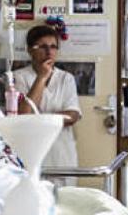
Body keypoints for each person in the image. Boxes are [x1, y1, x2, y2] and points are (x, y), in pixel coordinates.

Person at [14, 24, 82, 179]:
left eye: (53, 47)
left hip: (62, 154)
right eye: (43, 47)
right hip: (32, 154)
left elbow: (72, 115)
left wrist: (37, 120)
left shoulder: (66, 78)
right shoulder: (18, 77)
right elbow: (23, 114)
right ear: (30, 50)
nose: (49, 52)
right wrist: (42, 77)